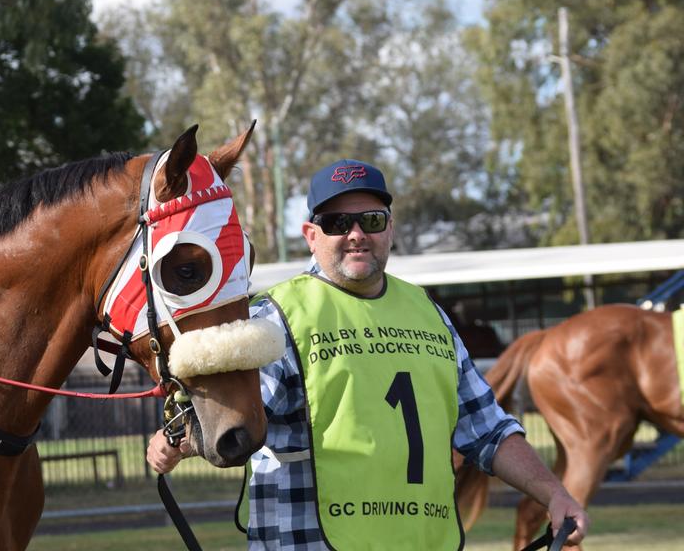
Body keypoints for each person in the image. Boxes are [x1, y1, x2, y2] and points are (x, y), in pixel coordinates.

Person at [147, 159, 589, 549]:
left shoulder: (429, 313)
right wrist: (176, 441)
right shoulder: (275, 317)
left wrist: (554, 493)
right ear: (311, 235)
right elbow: (235, 416)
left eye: (372, 221)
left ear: (390, 230)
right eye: (339, 223)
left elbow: (487, 430)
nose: (357, 234)